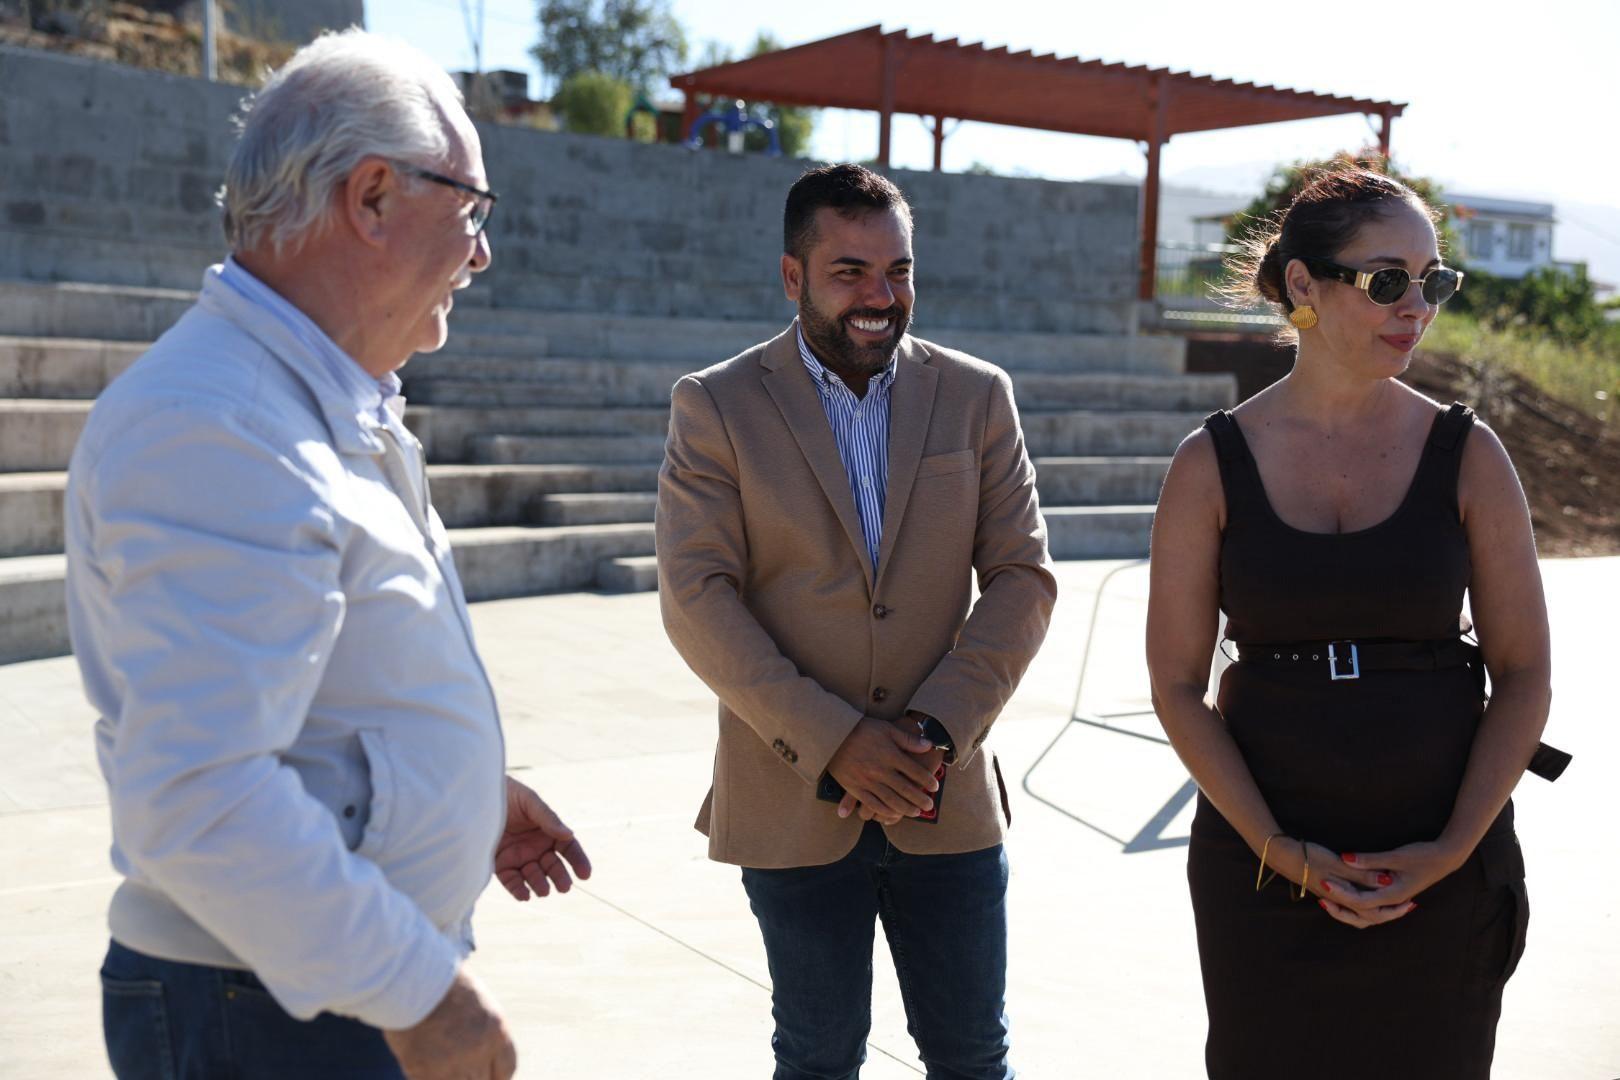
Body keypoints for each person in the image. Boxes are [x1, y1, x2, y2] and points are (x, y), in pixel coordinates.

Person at [65, 30, 590, 1080]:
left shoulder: (300, 401)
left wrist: (453, 795)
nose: (482, 253)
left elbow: (310, 701)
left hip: (293, 993)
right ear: (374, 197)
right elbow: (198, 792)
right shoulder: (220, 423)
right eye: (473, 210)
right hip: (267, 1013)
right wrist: (421, 993)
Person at [1146, 166, 1557, 1079]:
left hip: (1444, 872)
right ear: (1304, 284)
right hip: (1262, 874)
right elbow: (1175, 686)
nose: (1417, 306)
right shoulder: (1208, 464)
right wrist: (1278, 852)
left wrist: (1451, 851)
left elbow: (1525, 673)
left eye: (1433, 280)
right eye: (1387, 280)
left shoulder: (1471, 455)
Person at [657, 163, 1056, 1079]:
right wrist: (836, 741)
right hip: (790, 795)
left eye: (899, 271)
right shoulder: (715, 404)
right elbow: (696, 598)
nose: (882, 296)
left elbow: (1022, 579)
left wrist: (932, 734)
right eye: (850, 272)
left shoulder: (977, 394)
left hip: (943, 789)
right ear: (792, 276)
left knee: (973, 1056)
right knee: (817, 1058)